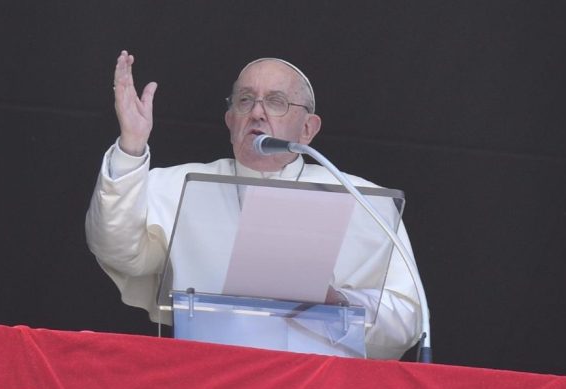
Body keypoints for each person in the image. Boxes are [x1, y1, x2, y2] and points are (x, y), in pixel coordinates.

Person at [85, 51, 425, 359]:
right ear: (231, 121)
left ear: (308, 128)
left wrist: (337, 303)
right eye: (245, 100)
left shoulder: (360, 198)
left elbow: (407, 320)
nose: (258, 112)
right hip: (210, 379)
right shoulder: (177, 185)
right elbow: (117, 250)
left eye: (276, 102)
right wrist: (131, 148)